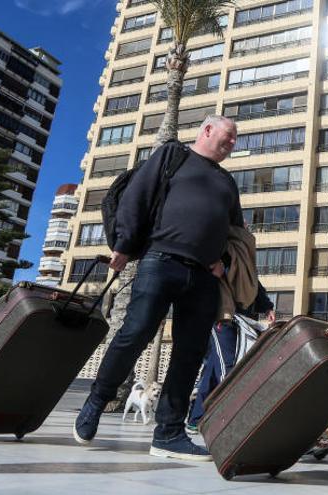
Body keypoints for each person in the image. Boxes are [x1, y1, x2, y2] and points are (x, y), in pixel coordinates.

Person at [73, 115, 241, 462]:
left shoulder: (228, 182)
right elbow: (138, 195)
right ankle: (97, 399)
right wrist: (123, 244)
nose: (233, 143)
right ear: (206, 129)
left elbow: (236, 232)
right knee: (134, 333)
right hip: (160, 261)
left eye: (235, 139)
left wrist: (224, 261)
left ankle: (168, 433)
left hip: (204, 278)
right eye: (229, 136)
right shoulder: (172, 156)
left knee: (189, 354)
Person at [186, 282, 275, 433]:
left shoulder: (245, 260)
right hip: (224, 317)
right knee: (228, 369)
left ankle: (195, 419)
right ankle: (230, 419)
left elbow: (251, 281)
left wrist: (267, 307)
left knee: (213, 370)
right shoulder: (226, 258)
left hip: (241, 321)